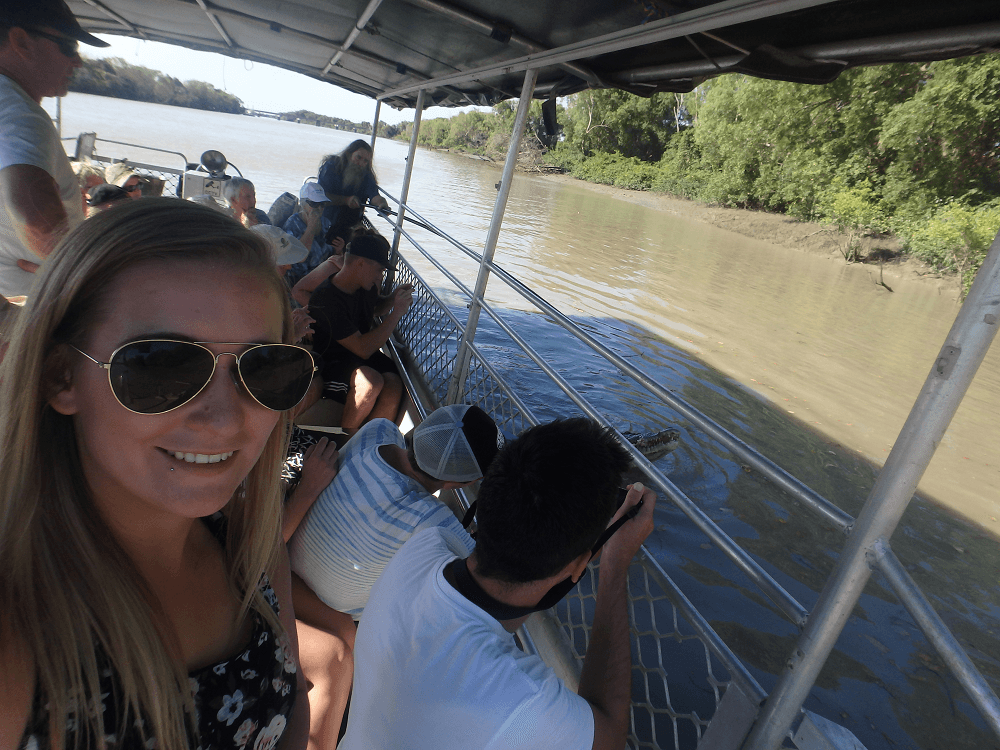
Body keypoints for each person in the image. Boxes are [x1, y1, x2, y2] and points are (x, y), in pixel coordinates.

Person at [0, 198, 317, 750]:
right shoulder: (18, 623)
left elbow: (291, 707)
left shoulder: (251, 548)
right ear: (60, 378)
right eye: (162, 365)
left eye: (264, 367)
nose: (225, 419)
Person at [339, 418, 657, 750]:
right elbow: (609, 738)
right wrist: (614, 564)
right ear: (578, 565)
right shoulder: (526, 700)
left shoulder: (423, 548)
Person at [289, 403, 502, 619]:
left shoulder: (377, 430)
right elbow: (489, 573)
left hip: (290, 556)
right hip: (336, 605)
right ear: (460, 484)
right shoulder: (433, 519)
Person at [0, 0, 105, 299]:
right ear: (21, 42)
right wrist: (79, 276)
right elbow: (34, 213)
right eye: (68, 46)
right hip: (26, 310)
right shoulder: (19, 113)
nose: (78, 61)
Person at [307, 233, 413, 434]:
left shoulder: (365, 287)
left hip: (356, 355)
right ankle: (346, 441)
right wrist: (397, 313)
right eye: (380, 269)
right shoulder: (326, 299)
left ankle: (370, 442)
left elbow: (374, 309)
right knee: (371, 382)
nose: (380, 276)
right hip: (331, 360)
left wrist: (392, 299)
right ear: (361, 263)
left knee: (395, 383)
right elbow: (363, 349)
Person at [316, 140, 389, 246]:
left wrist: (382, 204)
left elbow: (374, 196)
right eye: (358, 157)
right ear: (349, 154)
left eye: (365, 161)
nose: (361, 163)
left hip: (348, 226)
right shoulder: (331, 166)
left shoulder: (367, 176)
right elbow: (320, 196)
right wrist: (346, 200)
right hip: (323, 220)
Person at [283, 181, 332, 286]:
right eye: (314, 204)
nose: (319, 208)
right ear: (303, 204)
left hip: (321, 274)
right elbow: (299, 257)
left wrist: (336, 249)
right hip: (298, 278)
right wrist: (311, 228)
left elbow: (326, 250)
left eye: (322, 204)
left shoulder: (326, 223)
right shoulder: (292, 224)